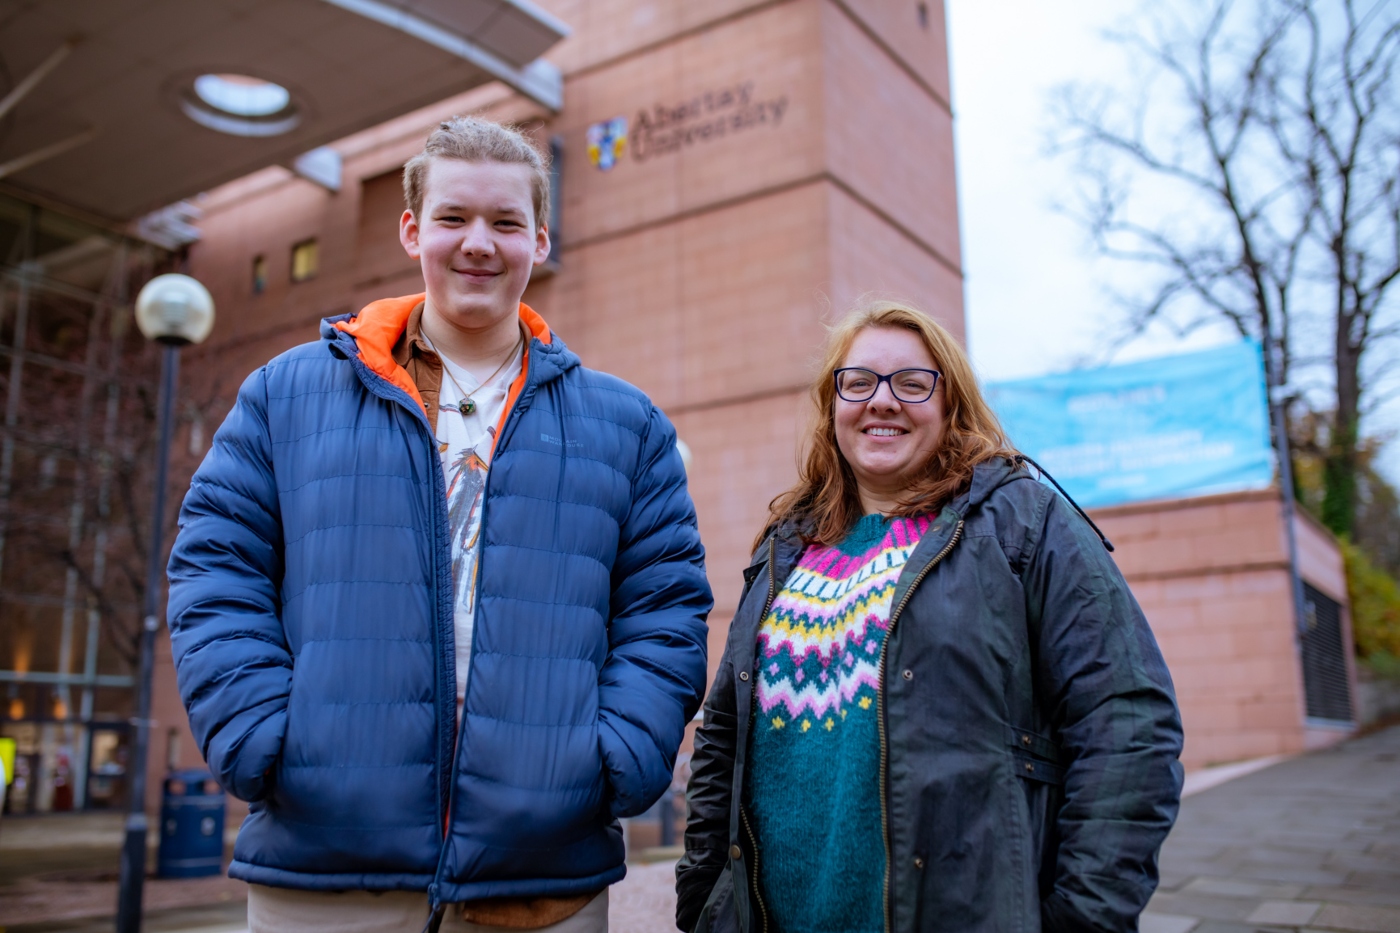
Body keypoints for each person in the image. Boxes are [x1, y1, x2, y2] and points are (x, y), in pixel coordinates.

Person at [167, 116, 712, 933]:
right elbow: (215, 569)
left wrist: (612, 760)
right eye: (454, 219)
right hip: (322, 869)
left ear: (540, 237)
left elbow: (664, 610)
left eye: (505, 222)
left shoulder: (626, 426)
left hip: (541, 876)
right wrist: (264, 739)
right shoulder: (286, 396)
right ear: (412, 230)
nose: (478, 244)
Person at [676, 301, 1183, 933]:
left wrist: (1082, 919)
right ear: (833, 404)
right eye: (857, 382)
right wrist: (702, 904)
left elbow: (1128, 724)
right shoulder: (784, 546)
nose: (881, 401)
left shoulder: (1025, 524)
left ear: (951, 404)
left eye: (912, 383)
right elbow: (723, 733)